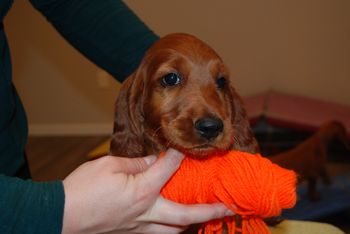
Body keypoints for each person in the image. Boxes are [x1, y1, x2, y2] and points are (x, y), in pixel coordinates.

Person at [0, 1, 233, 233]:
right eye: (171, 80)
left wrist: (159, 61)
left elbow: (68, 5)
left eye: (220, 83)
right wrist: (55, 210)